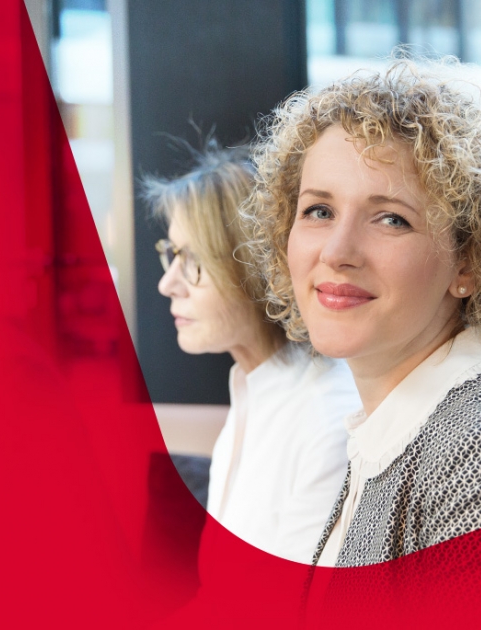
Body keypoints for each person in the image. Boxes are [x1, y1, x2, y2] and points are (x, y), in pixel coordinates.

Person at [243, 61, 481, 570]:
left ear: (469, 261)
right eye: (319, 211)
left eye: (391, 219)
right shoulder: (396, 431)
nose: (337, 251)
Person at [145, 143, 361, 564]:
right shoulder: (252, 388)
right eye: (171, 254)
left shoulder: (327, 418)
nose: (167, 284)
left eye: (192, 259)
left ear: (252, 266)